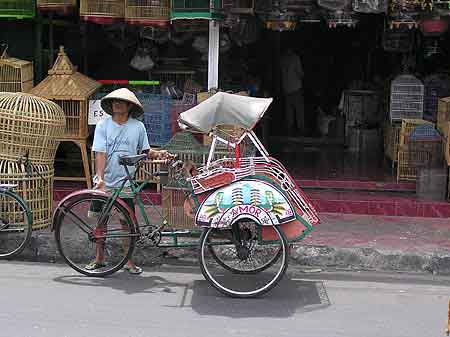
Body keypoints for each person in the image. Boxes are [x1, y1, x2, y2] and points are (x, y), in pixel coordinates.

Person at [87, 88, 174, 274]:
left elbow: (145, 151)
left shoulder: (138, 127)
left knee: (126, 224)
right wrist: (100, 178)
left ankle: (128, 261)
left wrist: (158, 153)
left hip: (126, 181)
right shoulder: (103, 126)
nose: (116, 104)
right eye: (114, 101)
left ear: (129, 106)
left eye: (121, 101)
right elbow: (100, 153)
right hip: (106, 181)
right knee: (101, 222)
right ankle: (99, 259)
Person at [280, 47, 305, 136]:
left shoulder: (282, 59)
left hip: (286, 88)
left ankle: (289, 129)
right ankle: (301, 129)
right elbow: (300, 73)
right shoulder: (295, 58)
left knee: (289, 110)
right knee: (298, 110)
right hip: (296, 87)